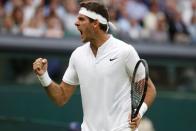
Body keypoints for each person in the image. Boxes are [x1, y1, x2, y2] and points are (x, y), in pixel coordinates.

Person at [32, 1, 156, 131]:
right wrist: (43, 76)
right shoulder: (77, 55)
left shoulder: (125, 51)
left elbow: (149, 89)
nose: (76, 23)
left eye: (81, 19)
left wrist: (139, 112)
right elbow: (61, 97)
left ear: (95, 24)